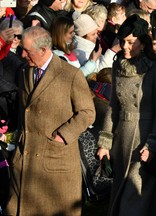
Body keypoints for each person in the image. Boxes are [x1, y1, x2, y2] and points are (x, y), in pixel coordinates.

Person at [4, 26, 95, 215]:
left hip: (55, 162)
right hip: (25, 157)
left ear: (44, 50)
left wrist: (63, 135)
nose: (22, 54)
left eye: (27, 51)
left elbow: (87, 112)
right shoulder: (25, 71)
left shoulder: (70, 75)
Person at [97, 14, 156, 216]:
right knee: (121, 191)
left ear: (143, 43)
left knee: (135, 196)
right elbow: (113, 106)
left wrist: (153, 143)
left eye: (130, 42)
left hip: (143, 140)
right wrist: (105, 141)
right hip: (122, 138)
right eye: (122, 42)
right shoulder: (118, 66)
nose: (125, 47)